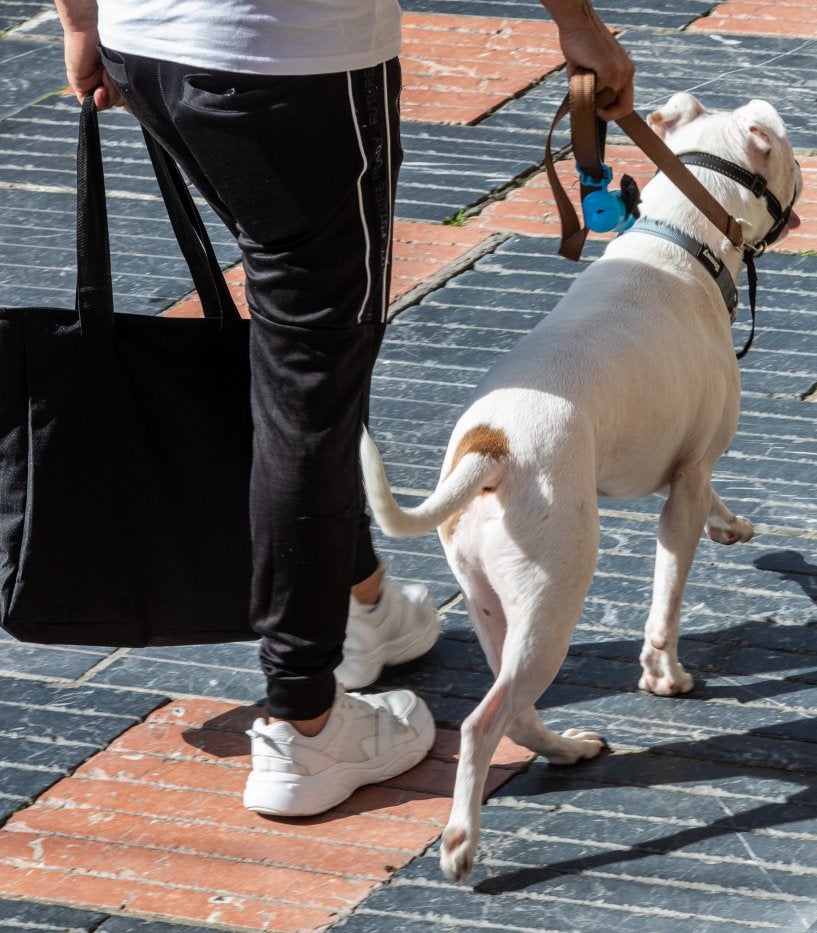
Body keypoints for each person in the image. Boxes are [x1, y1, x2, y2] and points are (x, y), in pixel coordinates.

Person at [52, 0, 635, 817]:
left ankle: (363, 602)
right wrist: (578, 23)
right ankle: (305, 721)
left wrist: (81, 18)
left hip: (146, 41)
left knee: (304, 339)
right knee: (312, 371)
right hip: (294, 64)